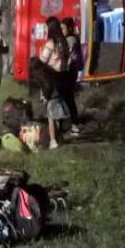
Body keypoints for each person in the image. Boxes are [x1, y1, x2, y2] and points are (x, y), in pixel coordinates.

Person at [39, 17, 70, 149]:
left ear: (50, 28)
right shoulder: (64, 43)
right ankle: (59, 135)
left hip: (51, 79)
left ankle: (53, 141)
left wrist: (41, 51)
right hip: (63, 78)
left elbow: (42, 61)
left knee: (50, 110)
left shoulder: (50, 43)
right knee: (59, 105)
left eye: (46, 27)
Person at [61, 17, 81, 135]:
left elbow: (66, 56)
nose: (61, 30)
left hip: (68, 73)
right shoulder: (72, 39)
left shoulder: (70, 40)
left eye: (63, 28)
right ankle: (72, 123)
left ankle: (73, 124)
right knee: (68, 99)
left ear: (69, 28)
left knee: (67, 99)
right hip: (70, 72)